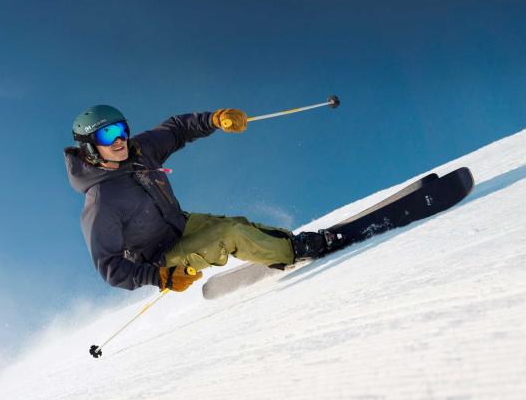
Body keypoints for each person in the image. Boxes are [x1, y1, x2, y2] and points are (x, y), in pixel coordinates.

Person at [65, 104, 342, 292]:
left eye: (121, 129)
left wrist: (214, 119)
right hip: (161, 258)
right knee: (230, 234)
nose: (119, 140)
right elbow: (109, 266)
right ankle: (297, 250)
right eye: (107, 134)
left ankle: (281, 247)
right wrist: (159, 277)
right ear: (90, 147)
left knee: (237, 224)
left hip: (180, 224)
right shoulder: (101, 202)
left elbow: (176, 129)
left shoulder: (140, 151)